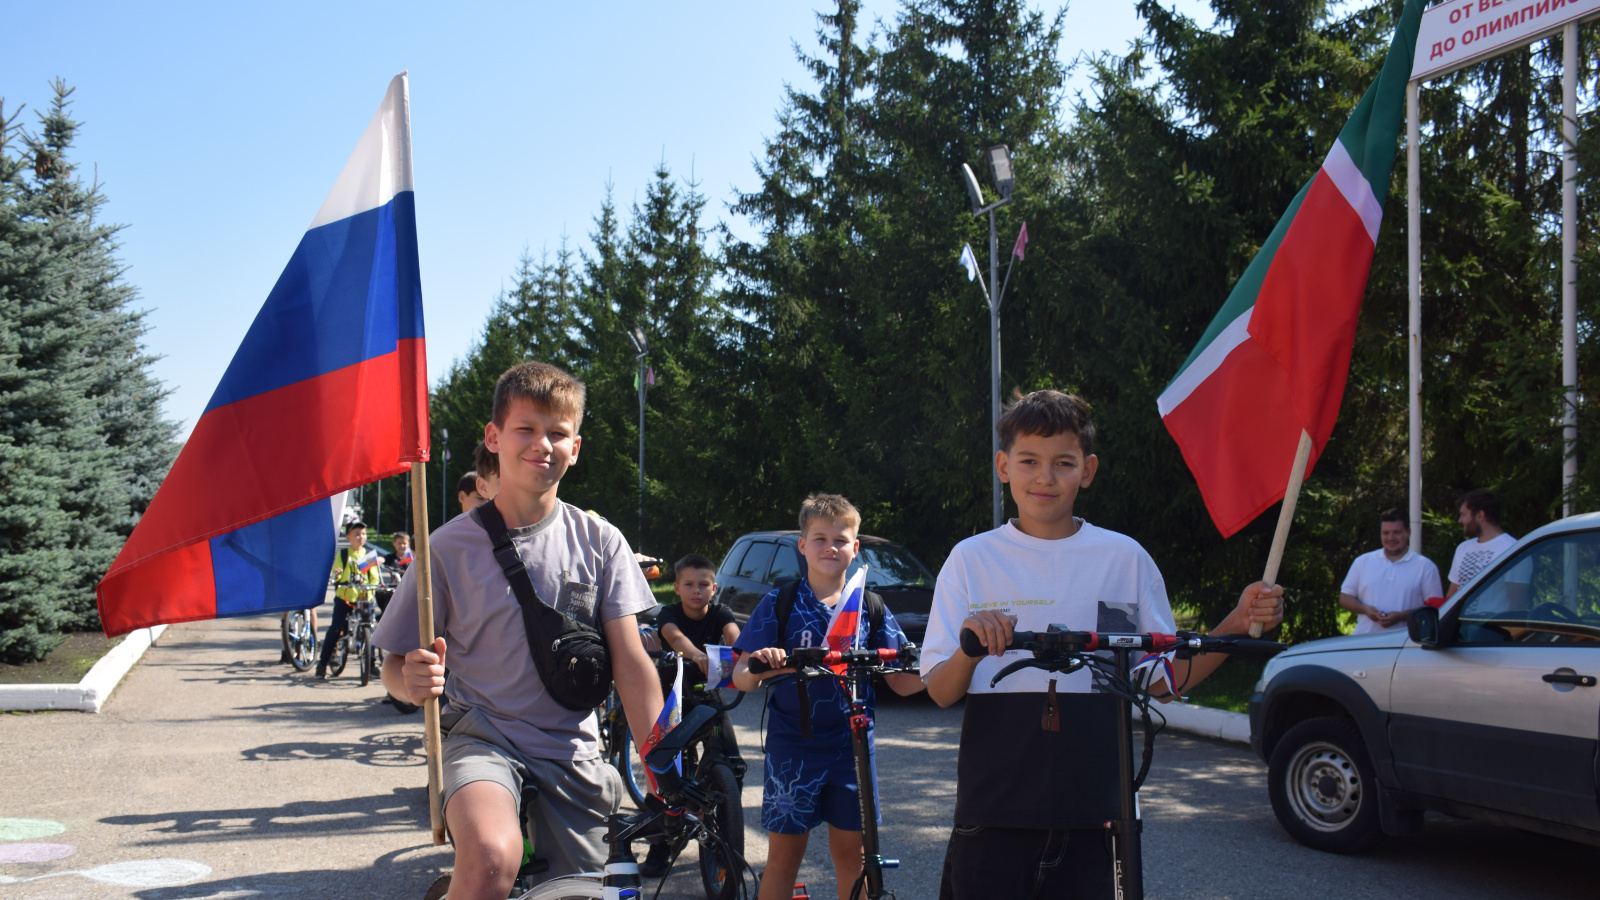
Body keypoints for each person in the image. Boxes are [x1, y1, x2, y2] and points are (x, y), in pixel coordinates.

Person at [919, 390, 1283, 900]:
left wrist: (1236, 624)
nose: (1045, 477)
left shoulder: (1123, 559)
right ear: (1003, 466)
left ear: (1087, 470)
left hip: (1100, 817)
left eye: (1063, 463)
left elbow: (1160, 680)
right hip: (993, 814)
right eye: (1029, 461)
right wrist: (971, 647)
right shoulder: (971, 559)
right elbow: (940, 690)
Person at [374, 361, 663, 899]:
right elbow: (393, 666)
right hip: (482, 740)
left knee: (586, 891)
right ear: (494, 437)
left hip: (573, 752)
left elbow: (630, 662)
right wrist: (408, 683)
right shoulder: (445, 547)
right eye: (525, 428)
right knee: (491, 858)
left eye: (558, 433)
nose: (542, 444)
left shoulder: (601, 541)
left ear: (576, 447)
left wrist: (661, 762)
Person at [731, 494, 924, 900]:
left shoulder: (870, 606)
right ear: (802, 546)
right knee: (784, 859)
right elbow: (742, 677)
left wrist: (956, 665)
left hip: (852, 749)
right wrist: (764, 665)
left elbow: (903, 682)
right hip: (792, 747)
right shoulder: (780, 602)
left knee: (854, 859)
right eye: (820, 539)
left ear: (856, 548)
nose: (830, 547)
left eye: (841, 540)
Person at [641, 553, 745, 877]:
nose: (696, 591)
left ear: (714, 588)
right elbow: (675, 637)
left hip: (707, 692)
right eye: (688, 584)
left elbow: (735, 636)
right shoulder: (669, 613)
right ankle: (660, 845)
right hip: (673, 694)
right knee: (665, 771)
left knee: (733, 762)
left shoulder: (721, 612)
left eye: (703, 585)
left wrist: (747, 655)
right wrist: (697, 654)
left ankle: (725, 823)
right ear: (676, 587)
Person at [1339, 509, 1442, 633]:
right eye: (1386, 533)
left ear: (1408, 532)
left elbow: (1435, 609)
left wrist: (1401, 616)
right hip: (1365, 641)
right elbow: (1345, 597)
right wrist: (1365, 609)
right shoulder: (1362, 562)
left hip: (1406, 642)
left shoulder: (1425, 567)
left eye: (1396, 532)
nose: (1391, 538)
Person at [317, 520, 381, 679]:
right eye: (357, 534)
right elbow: (337, 574)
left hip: (364, 598)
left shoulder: (367, 555)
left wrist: (371, 589)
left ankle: (371, 663)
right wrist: (338, 575)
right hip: (345, 598)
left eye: (363, 534)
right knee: (335, 629)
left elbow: (374, 577)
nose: (361, 537)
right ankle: (322, 664)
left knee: (370, 629)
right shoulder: (344, 554)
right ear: (348, 537)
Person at [1446, 489, 1517, 598]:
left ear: (1480, 515)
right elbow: (1452, 597)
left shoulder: (1512, 549)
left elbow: (1517, 602)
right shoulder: (1463, 548)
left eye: (1463, 515)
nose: (1460, 520)